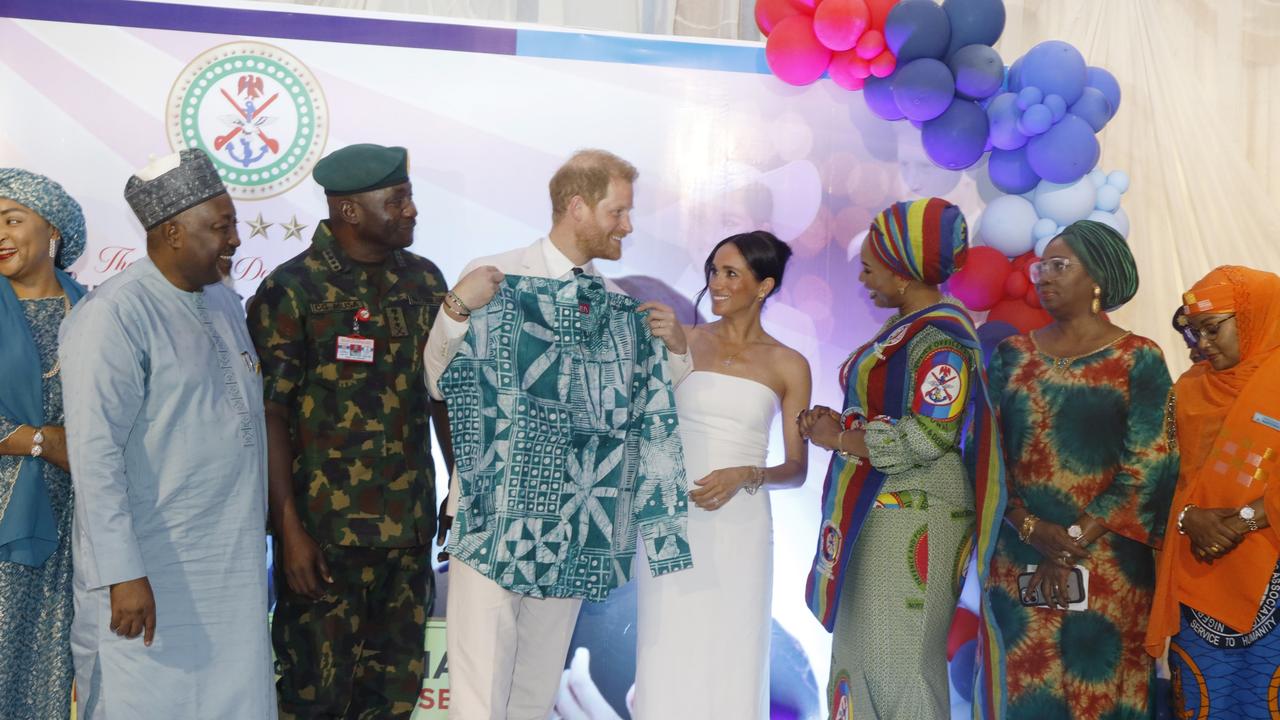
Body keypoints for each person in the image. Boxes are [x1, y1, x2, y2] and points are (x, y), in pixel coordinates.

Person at [424, 148, 694, 720]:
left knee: (535, 691)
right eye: (618, 212)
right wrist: (455, 309)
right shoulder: (494, 277)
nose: (628, 225)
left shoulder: (619, 309)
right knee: (479, 689)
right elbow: (438, 380)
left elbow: (648, 410)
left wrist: (675, 355)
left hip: (577, 521)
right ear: (578, 207)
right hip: (494, 515)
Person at [59, 149, 274, 718]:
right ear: (173, 232)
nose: (233, 240)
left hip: (231, 571)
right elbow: (94, 455)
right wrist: (122, 573)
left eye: (232, 224)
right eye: (220, 226)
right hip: (149, 571)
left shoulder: (225, 304)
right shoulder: (114, 315)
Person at [246, 143, 450, 719]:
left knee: (392, 702)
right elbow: (270, 415)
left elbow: (441, 395)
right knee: (314, 700)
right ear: (351, 211)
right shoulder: (294, 290)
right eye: (398, 200)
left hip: (408, 538)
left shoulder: (425, 281)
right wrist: (288, 532)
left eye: (409, 197)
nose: (411, 210)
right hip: (324, 540)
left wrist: (458, 487)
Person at [797, 198, 1006, 720]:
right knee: (864, 656)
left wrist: (840, 441)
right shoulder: (910, 328)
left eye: (870, 268)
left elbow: (930, 434)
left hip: (917, 513)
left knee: (899, 665)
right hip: (885, 509)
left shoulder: (941, 339)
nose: (864, 279)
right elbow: (893, 416)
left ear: (904, 272)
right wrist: (842, 424)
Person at [985, 220, 1177, 719]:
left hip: (1108, 563)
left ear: (1098, 278)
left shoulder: (1139, 359)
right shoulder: (1011, 357)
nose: (1043, 276)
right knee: (1025, 687)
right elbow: (988, 459)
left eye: (1059, 265)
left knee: (1098, 693)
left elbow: (1151, 462)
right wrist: (1031, 528)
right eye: (1040, 266)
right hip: (1019, 556)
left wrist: (1069, 540)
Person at [633, 230, 812, 719]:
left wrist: (745, 475)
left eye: (731, 273)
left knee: (733, 654)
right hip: (672, 519)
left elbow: (796, 470)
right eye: (713, 270)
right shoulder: (683, 340)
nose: (717, 282)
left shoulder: (789, 364)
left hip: (741, 526)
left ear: (764, 286)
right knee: (664, 649)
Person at [1148, 266, 1280, 718]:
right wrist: (1189, 519)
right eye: (1194, 332)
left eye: (1212, 328)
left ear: (1253, 316)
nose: (1201, 344)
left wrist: (1242, 520)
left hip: (1272, 573)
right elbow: (1162, 478)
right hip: (1198, 572)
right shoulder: (1186, 391)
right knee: (1206, 702)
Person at [0, 169, 86, 720]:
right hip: (5, 518)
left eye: (11, 220)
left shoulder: (99, 310)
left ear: (52, 230)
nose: (0, 234)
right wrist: (41, 441)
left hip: (79, 523)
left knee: (48, 671)